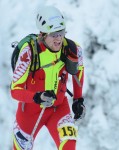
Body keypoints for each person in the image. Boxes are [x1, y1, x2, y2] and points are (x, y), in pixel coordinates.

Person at [10, 5, 85, 150]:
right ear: (43, 34)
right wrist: (37, 97)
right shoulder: (29, 52)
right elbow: (15, 90)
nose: (58, 39)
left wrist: (78, 99)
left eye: (61, 33)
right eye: (53, 34)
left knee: (69, 146)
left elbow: (78, 73)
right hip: (30, 112)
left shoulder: (73, 49)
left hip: (59, 108)